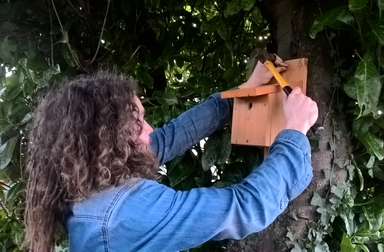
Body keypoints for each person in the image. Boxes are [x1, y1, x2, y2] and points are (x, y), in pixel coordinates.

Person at [24, 57, 318, 251]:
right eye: (137, 123)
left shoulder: (90, 184)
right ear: (106, 140)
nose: (149, 129)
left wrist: (241, 92)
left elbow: (171, 136)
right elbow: (244, 207)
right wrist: (294, 131)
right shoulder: (127, 213)